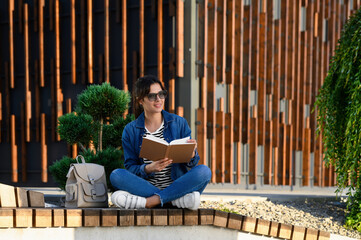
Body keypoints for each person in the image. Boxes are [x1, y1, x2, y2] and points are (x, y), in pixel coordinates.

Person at [110, 75, 211, 210]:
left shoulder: (179, 123)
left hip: (176, 184)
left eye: (161, 94)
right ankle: (174, 201)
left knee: (204, 171)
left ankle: (150, 202)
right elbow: (130, 167)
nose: (158, 99)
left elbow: (192, 164)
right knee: (116, 175)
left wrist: (191, 154)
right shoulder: (131, 130)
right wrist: (148, 169)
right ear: (141, 100)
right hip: (146, 187)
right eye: (152, 96)